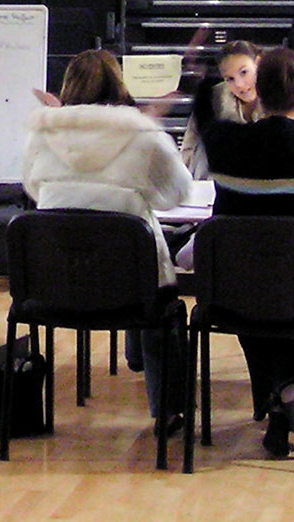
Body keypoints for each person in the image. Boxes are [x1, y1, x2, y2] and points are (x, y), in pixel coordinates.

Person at [198, 47, 294, 456]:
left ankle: (279, 399)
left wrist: (201, 76)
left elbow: (204, 110)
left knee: (259, 294)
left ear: (256, 92)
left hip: (237, 295)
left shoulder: (224, 143)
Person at [23, 49, 194, 427]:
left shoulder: (44, 133)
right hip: (132, 285)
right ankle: (167, 410)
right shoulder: (141, 133)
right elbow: (177, 195)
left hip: (56, 284)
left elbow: (34, 189)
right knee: (161, 294)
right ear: (120, 85)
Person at [180, 39, 294, 178]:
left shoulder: (289, 91)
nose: (239, 84)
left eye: (244, 72)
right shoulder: (213, 99)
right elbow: (189, 151)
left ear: (258, 63)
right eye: (229, 79)